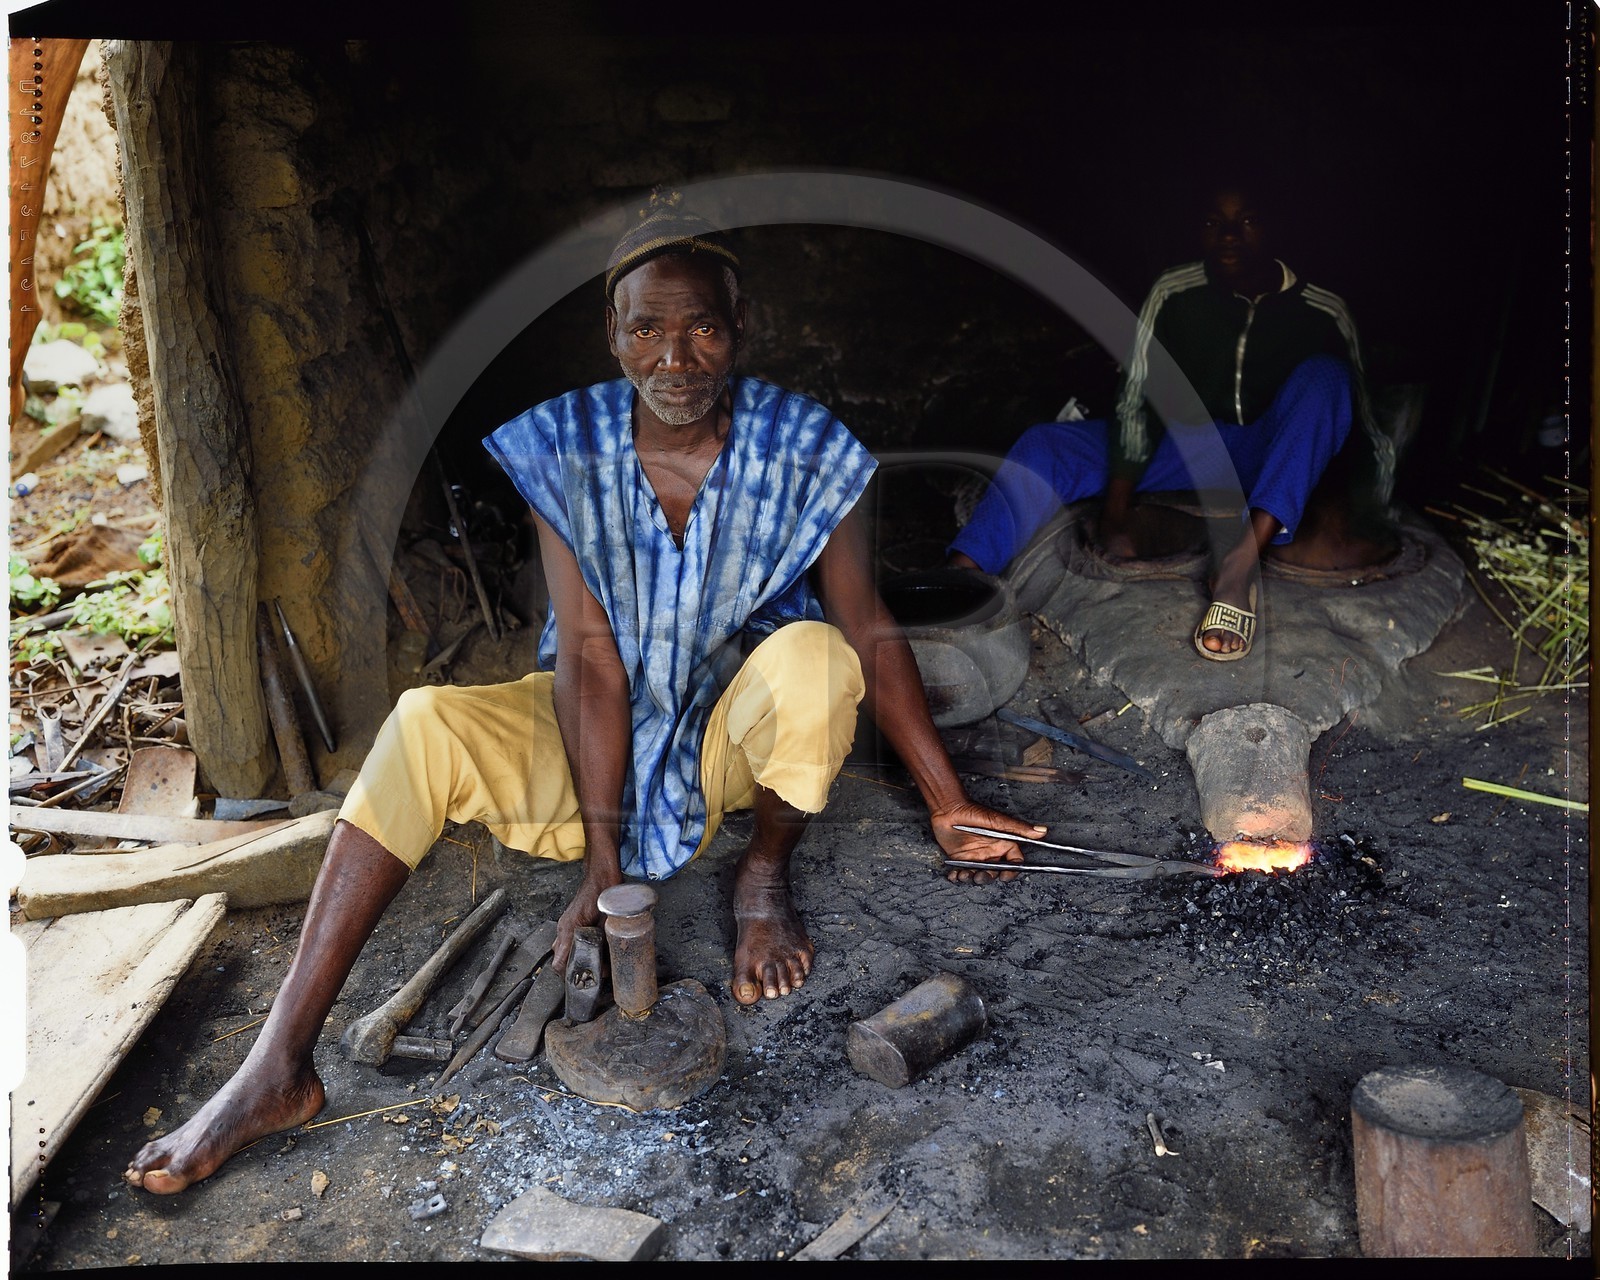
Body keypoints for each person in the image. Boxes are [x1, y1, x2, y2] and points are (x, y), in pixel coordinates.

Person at [123, 199, 1043, 1195]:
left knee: (818, 656)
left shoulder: (810, 449)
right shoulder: (563, 445)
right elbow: (591, 663)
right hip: (591, 725)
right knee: (423, 725)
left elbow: (869, 627)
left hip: (729, 733)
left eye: (700, 327)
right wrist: (604, 875)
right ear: (613, 336)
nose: (674, 356)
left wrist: (946, 800)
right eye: (645, 328)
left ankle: (764, 874)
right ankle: (276, 1065)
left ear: (743, 328)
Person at [947, 182, 1393, 661]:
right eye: (1212, 223)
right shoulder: (1175, 291)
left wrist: (1364, 503)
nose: (1228, 235)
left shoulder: (1324, 311)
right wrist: (1116, 513)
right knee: (1047, 445)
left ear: (1273, 228)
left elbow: (1361, 426)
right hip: (1191, 448)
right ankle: (956, 575)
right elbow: (1136, 396)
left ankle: (1240, 567)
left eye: (1246, 221)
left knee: (1326, 376)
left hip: (1278, 451)